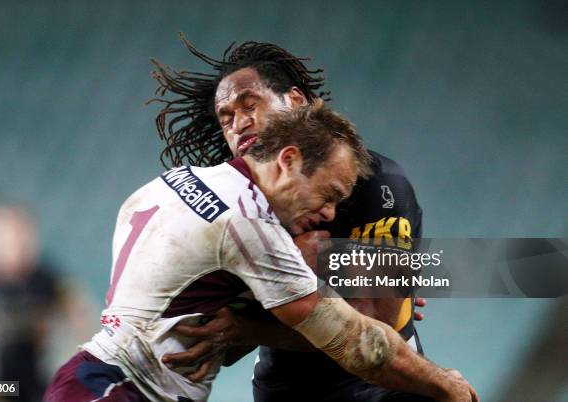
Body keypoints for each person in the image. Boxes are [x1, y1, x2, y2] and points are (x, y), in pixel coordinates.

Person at [43, 102, 476, 402]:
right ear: (288, 160)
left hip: (94, 377)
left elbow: (203, 311)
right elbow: (359, 345)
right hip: (119, 390)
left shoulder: (178, 179)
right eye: (328, 193)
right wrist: (446, 386)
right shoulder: (248, 224)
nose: (328, 211)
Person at [151, 36, 429, 401]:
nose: (239, 124)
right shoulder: (237, 208)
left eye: (250, 105)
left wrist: (252, 325)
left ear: (296, 102)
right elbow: (221, 338)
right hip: (286, 391)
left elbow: (377, 323)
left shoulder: (375, 183)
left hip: (385, 387)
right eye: (227, 118)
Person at [0, 204, 93, 402]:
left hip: (42, 380)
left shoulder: (48, 280)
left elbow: (82, 318)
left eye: (19, 238)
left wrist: (80, 368)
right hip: (2, 386)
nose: (13, 247)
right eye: (3, 240)